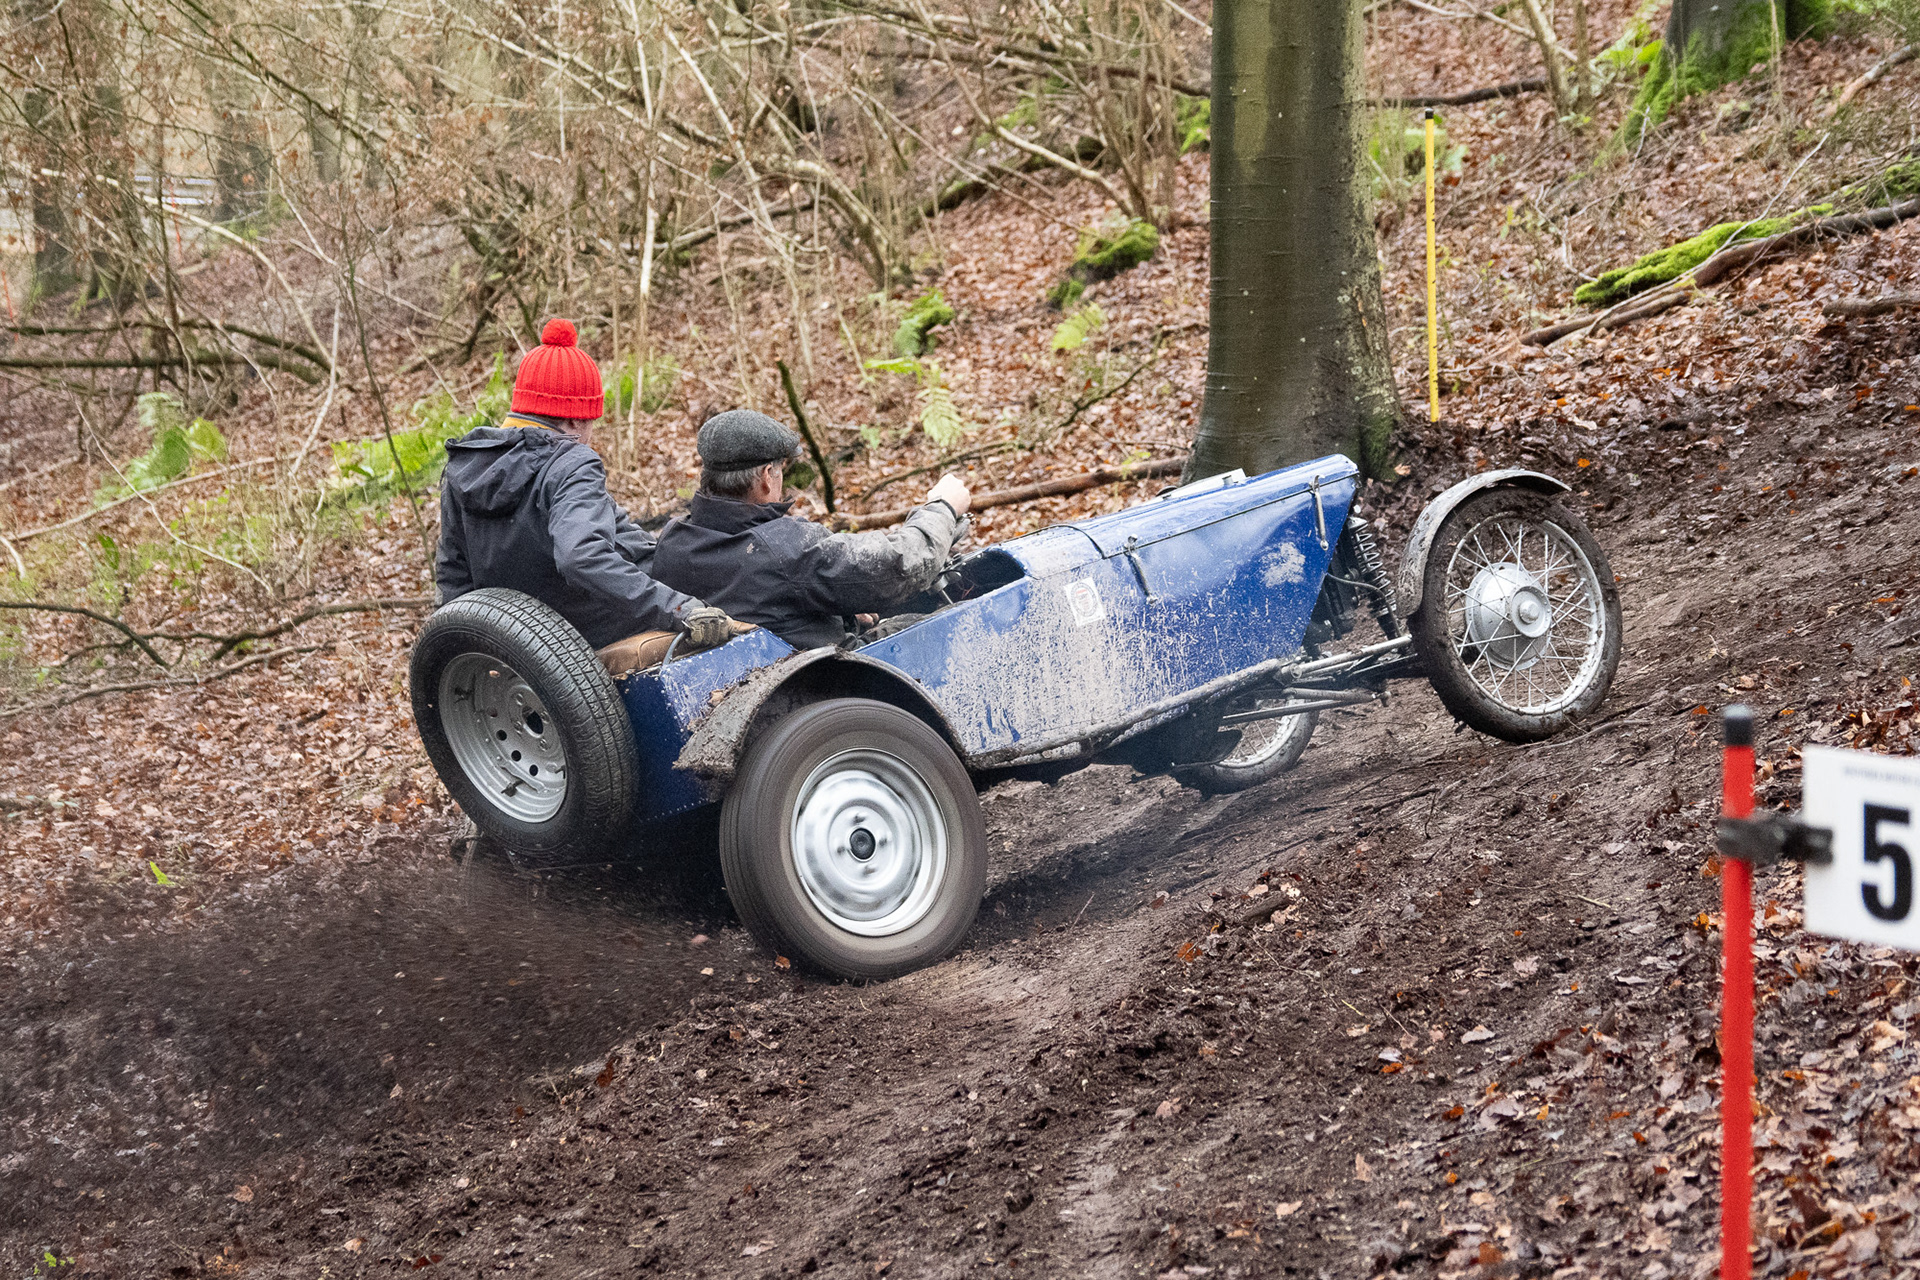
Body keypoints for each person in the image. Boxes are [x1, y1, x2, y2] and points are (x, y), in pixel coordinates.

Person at [435, 318, 741, 663]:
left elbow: (453, 581)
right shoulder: (570, 463)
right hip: (588, 646)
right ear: (576, 419)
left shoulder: (463, 467)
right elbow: (582, 557)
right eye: (592, 421)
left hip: (513, 658)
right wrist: (681, 608)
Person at [651, 409, 972, 650]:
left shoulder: (673, 540)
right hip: (827, 686)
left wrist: (842, 615)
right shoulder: (785, 547)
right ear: (766, 476)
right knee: (955, 619)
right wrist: (943, 507)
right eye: (779, 472)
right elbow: (903, 565)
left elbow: (766, 604)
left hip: (755, 680)